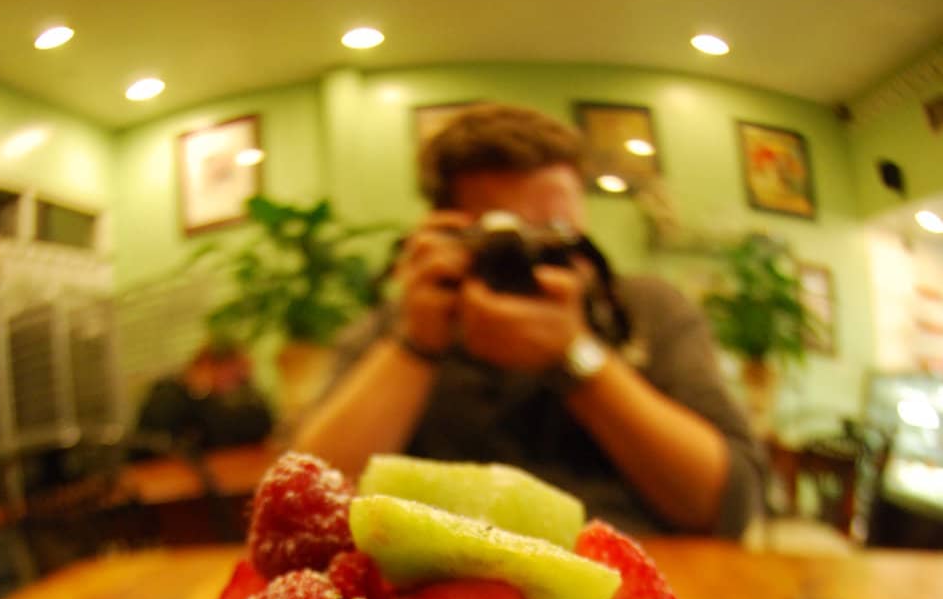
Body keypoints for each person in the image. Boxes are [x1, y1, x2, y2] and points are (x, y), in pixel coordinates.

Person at [295, 104, 764, 536]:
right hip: (441, 583)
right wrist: (416, 345)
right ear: (443, 229)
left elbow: (728, 506)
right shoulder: (403, 323)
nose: (532, 264)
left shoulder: (646, 309)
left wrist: (577, 358)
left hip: (632, 575)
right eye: (506, 239)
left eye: (557, 237)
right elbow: (305, 506)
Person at [132, 343, 273, 460]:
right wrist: (200, 393)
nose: (236, 385)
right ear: (207, 365)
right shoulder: (166, 396)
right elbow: (158, 445)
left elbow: (260, 427)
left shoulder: (216, 401)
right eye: (235, 376)